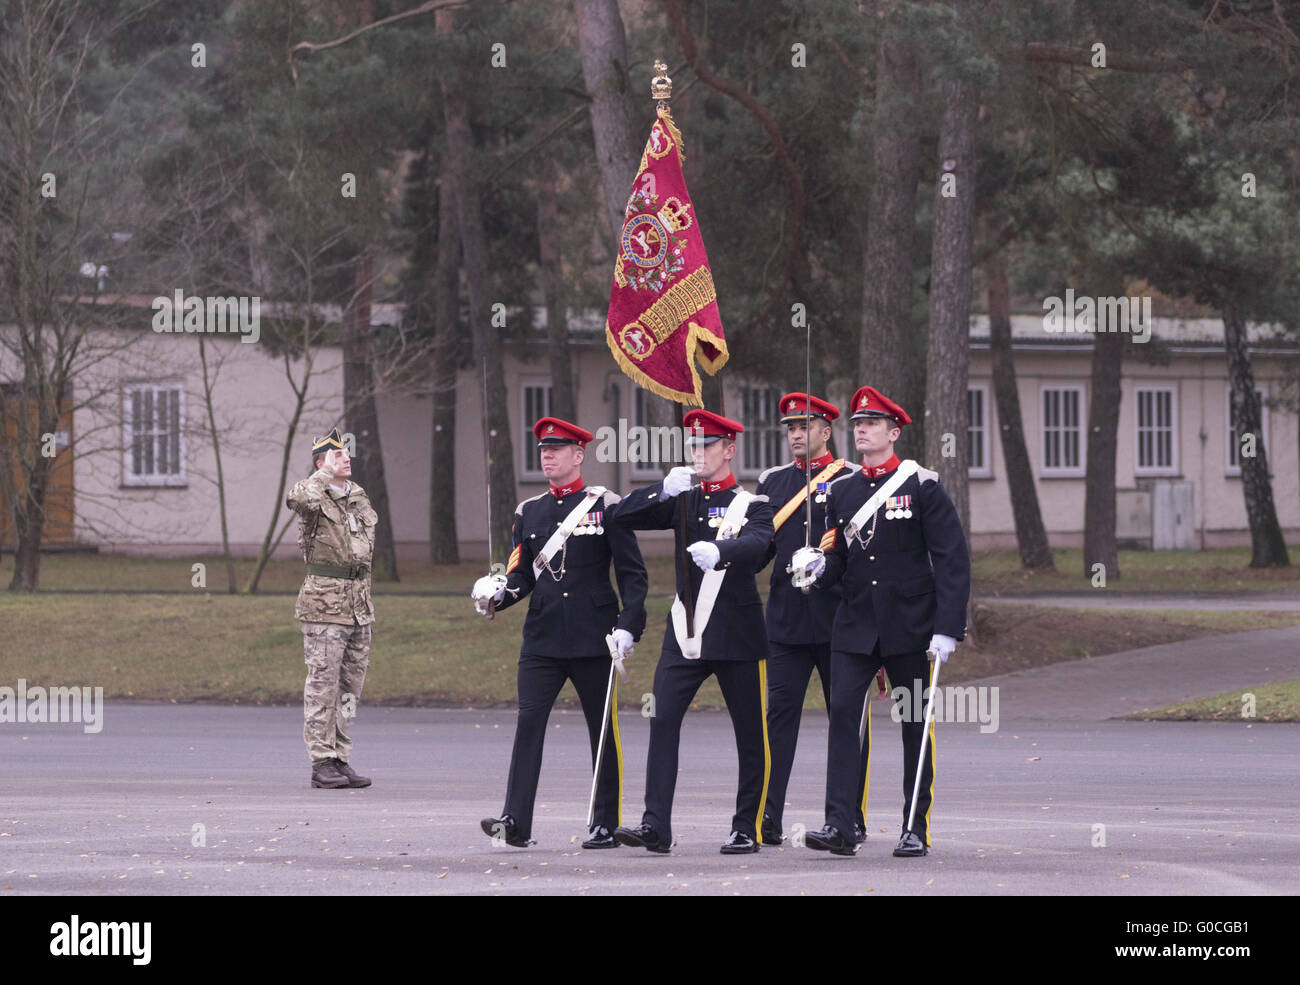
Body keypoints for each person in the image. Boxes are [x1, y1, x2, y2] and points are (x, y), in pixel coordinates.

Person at [799, 386, 970, 857]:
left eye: (871, 423)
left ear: (894, 432)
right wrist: (817, 566)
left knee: (914, 722)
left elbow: (951, 559)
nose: (861, 430)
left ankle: (915, 827)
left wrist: (947, 627)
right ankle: (840, 825)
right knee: (842, 723)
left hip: (910, 624)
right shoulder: (842, 490)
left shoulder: (922, 485)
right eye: (857, 423)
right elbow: (839, 560)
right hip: (854, 624)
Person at [472, 417, 647, 849]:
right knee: (528, 725)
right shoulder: (528, 511)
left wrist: (630, 624)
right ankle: (514, 821)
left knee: (602, 730)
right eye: (543, 450)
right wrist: (496, 594)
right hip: (543, 637)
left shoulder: (605, 504)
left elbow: (632, 575)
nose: (547, 456)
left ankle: (605, 822)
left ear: (578, 454)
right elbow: (522, 576)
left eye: (556, 449)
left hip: (594, 635)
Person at [612, 410, 775, 855]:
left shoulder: (754, 505)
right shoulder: (682, 498)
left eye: (707, 445)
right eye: (693, 445)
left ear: (729, 450)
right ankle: (655, 826)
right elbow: (619, 518)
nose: (698, 453)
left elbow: (760, 545)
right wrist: (659, 490)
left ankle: (747, 826)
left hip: (735, 633)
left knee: (749, 731)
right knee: (662, 719)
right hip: (685, 633)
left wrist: (721, 550)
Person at [754, 392, 868, 846]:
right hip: (785, 621)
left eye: (806, 427)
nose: (797, 435)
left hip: (839, 618)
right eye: (791, 428)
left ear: (826, 431)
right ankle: (768, 815)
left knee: (846, 721)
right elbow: (761, 547)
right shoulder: (773, 482)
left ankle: (848, 817)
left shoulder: (850, 479)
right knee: (777, 721)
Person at [286, 426, 378, 790]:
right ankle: (320, 761)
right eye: (337, 454)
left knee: (349, 688)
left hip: (358, 604)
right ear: (321, 462)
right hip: (324, 605)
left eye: (347, 453)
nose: (346, 457)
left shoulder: (357, 496)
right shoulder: (312, 494)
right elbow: (297, 497)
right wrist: (323, 471)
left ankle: (340, 757)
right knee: (322, 685)